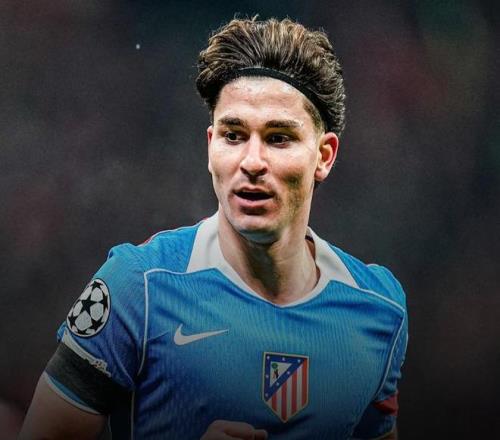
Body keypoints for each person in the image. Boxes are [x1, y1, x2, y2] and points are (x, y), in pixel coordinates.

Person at [20, 17, 407, 440]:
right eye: (233, 135)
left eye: (278, 138)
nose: (252, 161)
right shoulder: (137, 286)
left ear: (324, 156)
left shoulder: (379, 308)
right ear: (210, 146)